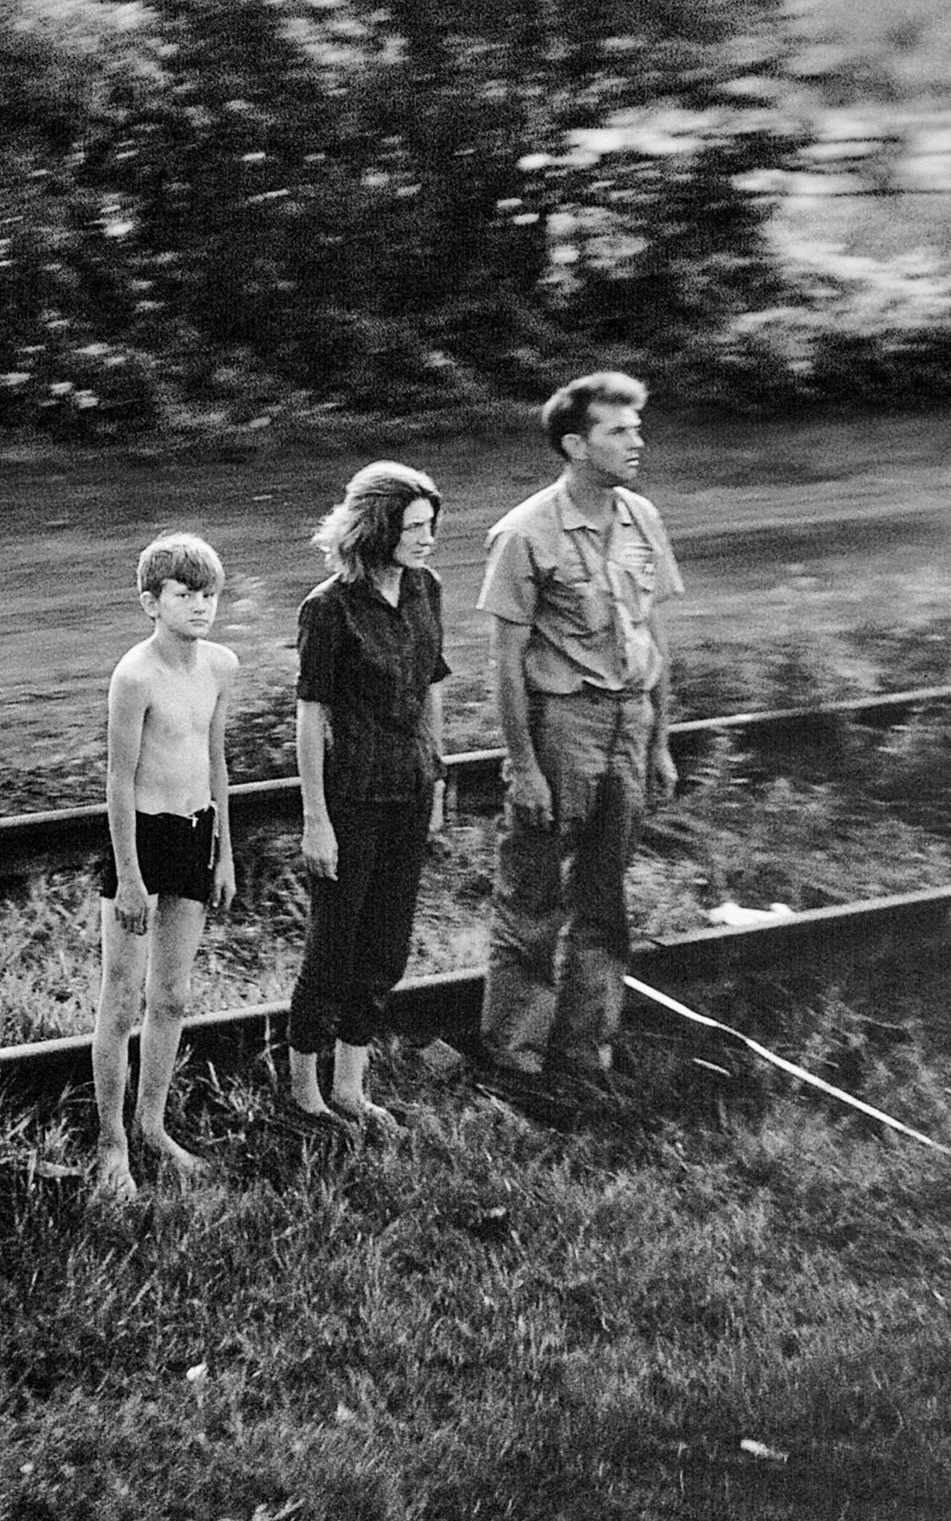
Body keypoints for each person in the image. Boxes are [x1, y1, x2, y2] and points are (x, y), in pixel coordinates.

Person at [476, 371, 682, 1100]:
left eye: (636, 427)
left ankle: (584, 1053)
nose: (636, 442)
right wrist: (522, 765)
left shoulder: (642, 519)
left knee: (605, 895)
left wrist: (659, 738)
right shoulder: (524, 532)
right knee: (534, 894)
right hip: (562, 725)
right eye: (618, 431)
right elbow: (502, 664)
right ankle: (516, 1058)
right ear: (575, 444)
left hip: (630, 722)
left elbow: (653, 630)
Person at [284, 463, 450, 1140]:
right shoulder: (327, 608)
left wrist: (436, 777)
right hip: (350, 799)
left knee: (385, 948)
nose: (428, 538)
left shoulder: (425, 589)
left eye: (431, 526)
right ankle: (303, 1097)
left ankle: (350, 1088)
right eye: (414, 527)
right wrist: (316, 819)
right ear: (378, 528)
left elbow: (433, 686)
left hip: (408, 791)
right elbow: (309, 718)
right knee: (333, 948)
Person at [90, 533, 239, 1198]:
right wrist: (127, 876)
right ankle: (110, 1143)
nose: (201, 606)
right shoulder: (135, 675)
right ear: (151, 601)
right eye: (185, 594)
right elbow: (119, 781)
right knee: (121, 999)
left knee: (172, 995)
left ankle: (152, 1124)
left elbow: (216, 760)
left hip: (195, 832)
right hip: (141, 839)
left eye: (209, 593)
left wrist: (224, 851)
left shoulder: (220, 666)